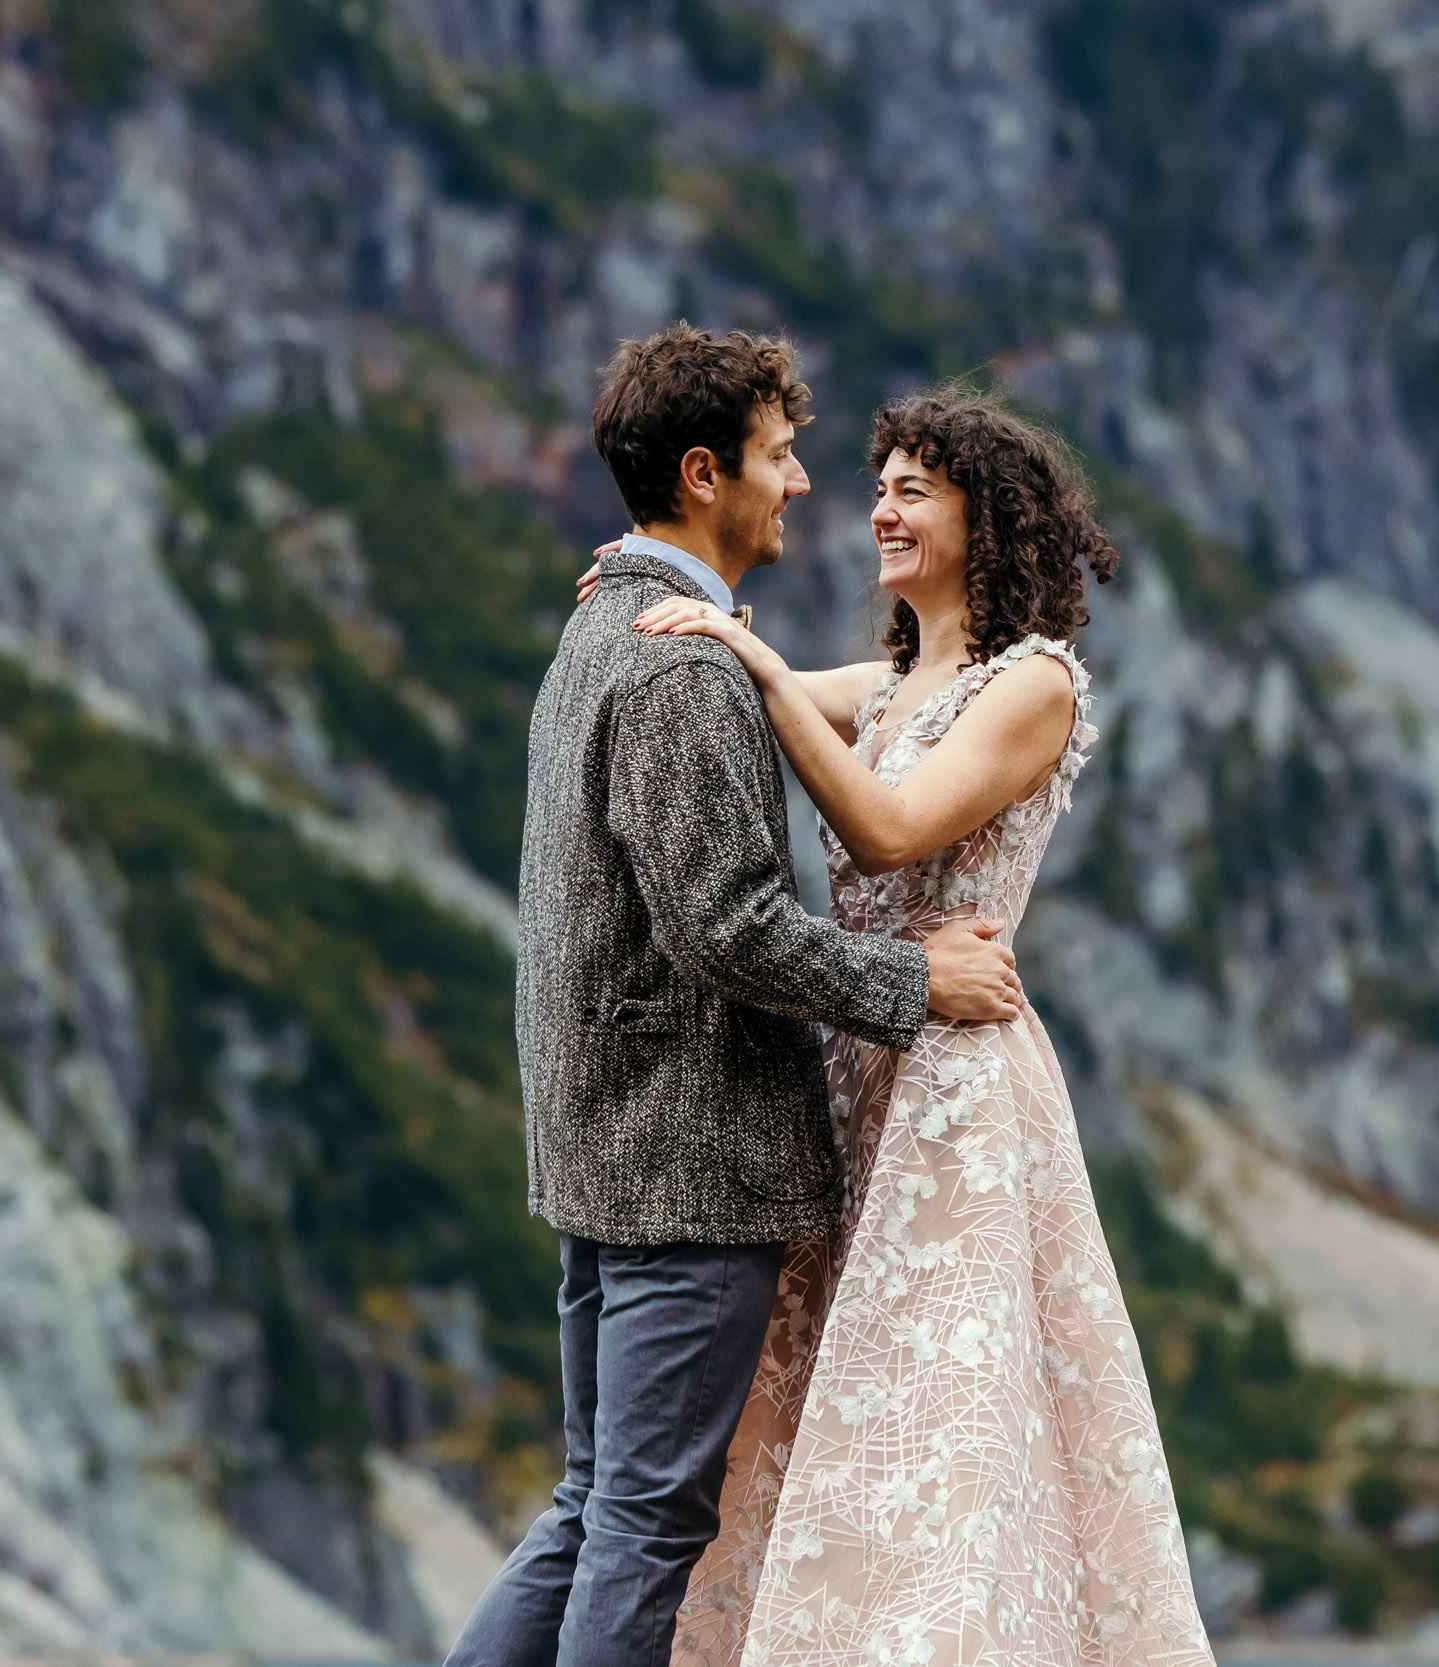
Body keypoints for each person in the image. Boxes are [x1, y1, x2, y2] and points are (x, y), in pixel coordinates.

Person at [588, 388, 1214, 1663]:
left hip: (955, 1093)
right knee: (837, 1412)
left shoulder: (1032, 682)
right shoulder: (892, 678)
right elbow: (724, 668)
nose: (878, 505)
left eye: (914, 487)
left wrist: (754, 657)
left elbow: (885, 826)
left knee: (935, 1417)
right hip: (855, 1067)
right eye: (879, 482)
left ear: (989, 518)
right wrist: (642, 590)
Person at [446, 327, 1030, 1667]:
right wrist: (914, 978)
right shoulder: (678, 665)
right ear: (705, 474)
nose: (805, 485)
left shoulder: (605, 629)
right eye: (780, 455)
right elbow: (729, 927)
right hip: (691, 1166)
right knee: (646, 1522)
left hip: (610, 1153)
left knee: (595, 1503)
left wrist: (779, 665)